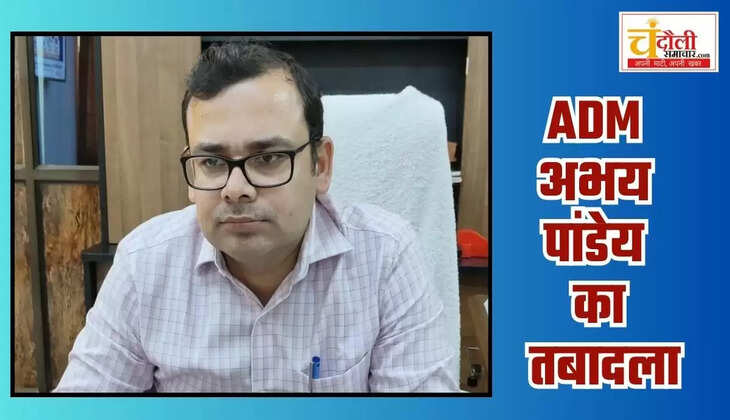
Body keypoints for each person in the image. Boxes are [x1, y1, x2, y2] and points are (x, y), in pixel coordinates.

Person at [55, 42, 458, 392]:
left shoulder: (386, 257)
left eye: (267, 158)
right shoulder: (143, 264)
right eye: (212, 162)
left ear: (320, 166)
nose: (236, 189)